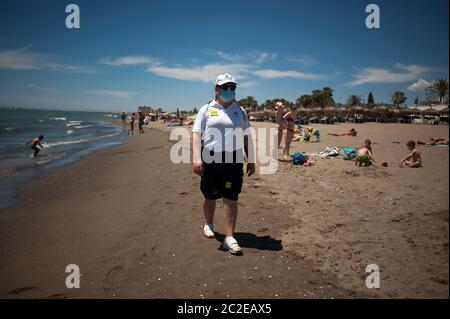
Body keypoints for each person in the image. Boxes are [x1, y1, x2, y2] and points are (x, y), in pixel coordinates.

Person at [192, 73, 255, 255]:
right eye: (225, 87)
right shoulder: (206, 109)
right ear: (217, 89)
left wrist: (251, 159)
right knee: (210, 195)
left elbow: (246, 136)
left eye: (232, 87)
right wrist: (197, 158)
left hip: (233, 160)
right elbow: (196, 134)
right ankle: (209, 223)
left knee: (231, 196)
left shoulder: (239, 111)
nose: (229, 90)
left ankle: (229, 237)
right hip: (211, 158)